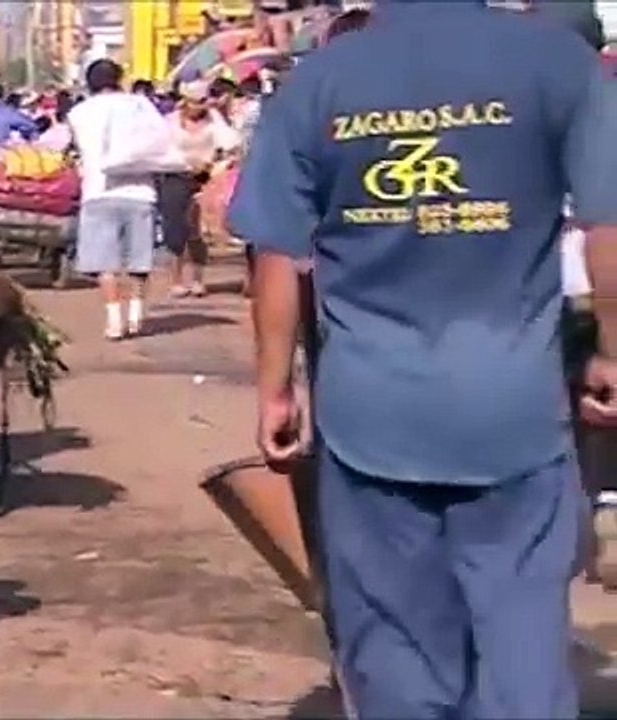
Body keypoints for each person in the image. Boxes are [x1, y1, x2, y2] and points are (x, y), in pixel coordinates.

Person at [228, 1, 617, 717]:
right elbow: (607, 221)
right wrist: (612, 355)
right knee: (524, 636)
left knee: (396, 647)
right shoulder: (554, 63)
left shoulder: (321, 80)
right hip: (515, 405)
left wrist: (275, 390)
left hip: (370, 411)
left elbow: (278, 251)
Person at [67, 59, 158, 340]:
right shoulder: (142, 105)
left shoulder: (78, 112)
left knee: (104, 263)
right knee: (138, 260)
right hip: (141, 191)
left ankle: (114, 321)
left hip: (97, 192)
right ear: (119, 78)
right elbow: (159, 139)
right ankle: (135, 316)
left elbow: (79, 147)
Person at [159, 84, 218, 299]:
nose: (199, 107)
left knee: (197, 230)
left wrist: (210, 163)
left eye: (203, 102)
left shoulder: (214, 120)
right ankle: (176, 280)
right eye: (195, 102)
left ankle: (198, 279)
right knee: (175, 231)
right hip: (175, 177)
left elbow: (229, 142)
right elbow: (161, 149)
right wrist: (184, 162)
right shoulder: (170, 122)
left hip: (205, 179)